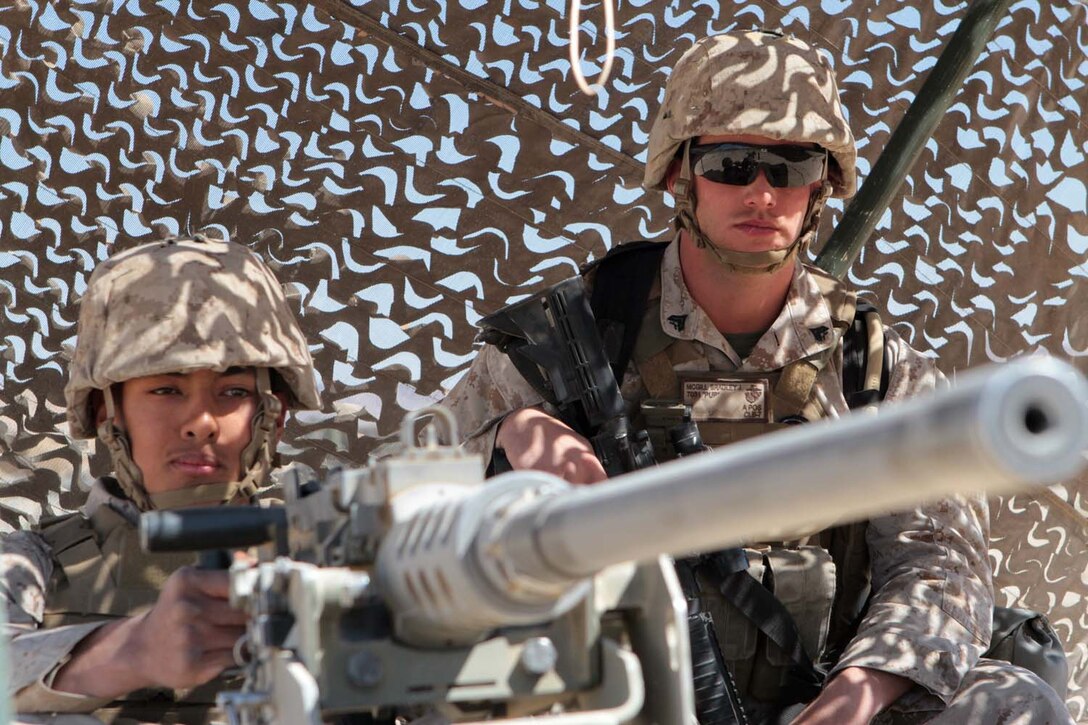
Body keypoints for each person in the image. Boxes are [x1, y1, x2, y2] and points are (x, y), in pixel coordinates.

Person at [442, 30, 1072, 724]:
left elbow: (940, 564)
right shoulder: (575, 336)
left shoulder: (869, 365)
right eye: (732, 164)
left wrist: (849, 702)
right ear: (679, 175)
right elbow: (407, 493)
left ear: (822, 185)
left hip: (809, 700)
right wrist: (507, 434)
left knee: (1015, 704)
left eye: (791, 166)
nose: (763, 193)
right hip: (599, 703)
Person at [1, 237, 321, 723]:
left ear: (273, 417)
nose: (202, 423)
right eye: (167, 389)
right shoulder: (27, 567)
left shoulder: (325, 558)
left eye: (233, 391)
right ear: (107, 413)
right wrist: (134, 650)